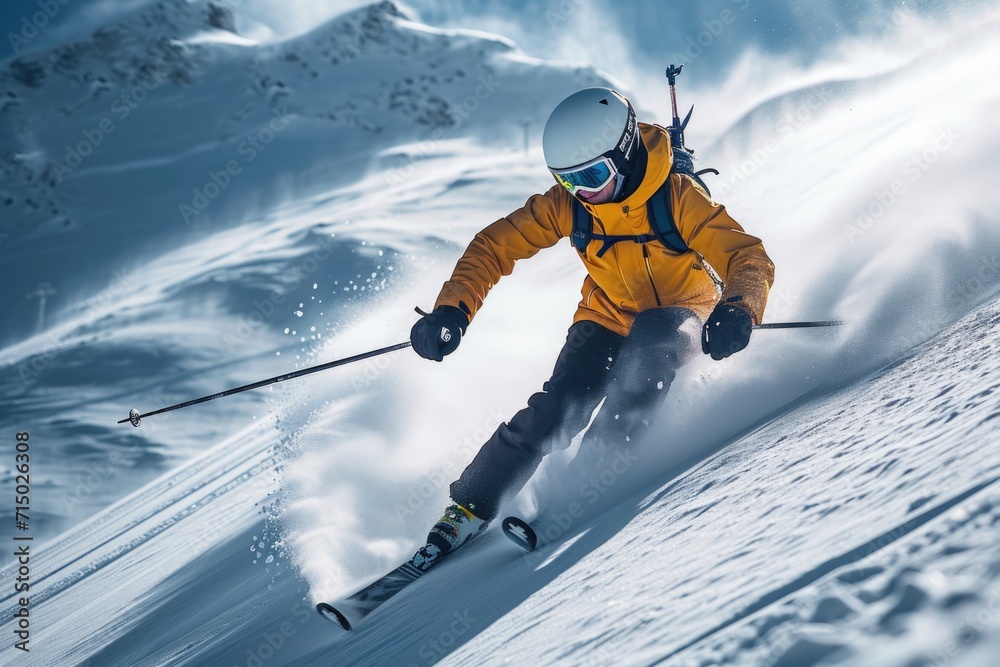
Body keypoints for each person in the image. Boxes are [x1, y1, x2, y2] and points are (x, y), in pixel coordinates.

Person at [409, 87, 774, 557]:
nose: (584, 191)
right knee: (557, 407)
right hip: (606, 315)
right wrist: (451, 311)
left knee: (647, 360)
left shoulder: (677, 199)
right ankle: (470, 507)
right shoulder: (574, 206)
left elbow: (747, 256)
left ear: (623, 154)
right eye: (568, 181)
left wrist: (738, 308)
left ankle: (587, 479)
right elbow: (493, 247)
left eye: (594, 175)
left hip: (684, 309)